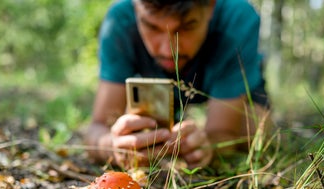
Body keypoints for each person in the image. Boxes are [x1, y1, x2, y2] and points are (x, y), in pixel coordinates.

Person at [85, 0, 270, 169]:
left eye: (187, 27)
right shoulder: (118, 21)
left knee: (255, 131)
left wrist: (207, 147)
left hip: (229, 83)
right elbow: (98, 127)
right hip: (157, 92)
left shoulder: (237, 19)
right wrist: (113, 146)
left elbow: (224, 132)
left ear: (211, 7)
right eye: (152, 27)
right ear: (135, 6)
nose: (169, 50)